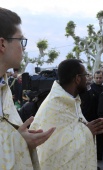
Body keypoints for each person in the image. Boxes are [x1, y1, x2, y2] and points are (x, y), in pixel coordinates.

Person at [0, 7, 56, 169]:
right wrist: (18, 141)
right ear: (2, 44)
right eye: (21, 40)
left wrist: (20, 139)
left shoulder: (4, 88)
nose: (23, 47)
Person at [30, 59, 103, 170]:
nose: (88, 79)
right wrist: (87, 131)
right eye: (86, 75)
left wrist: (86, 127)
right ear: (77, 78)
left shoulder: (71, 100)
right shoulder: (54, 104)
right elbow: (52, 148)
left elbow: (70, 130)